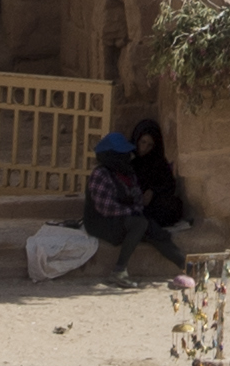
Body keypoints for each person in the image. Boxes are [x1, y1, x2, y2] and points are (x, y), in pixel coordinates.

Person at [78, 132, 176, 286]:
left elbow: (136, 198)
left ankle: (187, 266)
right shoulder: (100, 174)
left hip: (122, 218)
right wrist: (133, 212)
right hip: (101, 223)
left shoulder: (126, 173)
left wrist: (136, 211)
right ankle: (119, 271)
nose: (127, 157)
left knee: (154, 231)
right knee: (139, 224)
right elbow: (106, 208)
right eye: (122, 154)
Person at [128, 119, 196, 266]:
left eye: (150, 145)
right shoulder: (128, 161)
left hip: (154, 205)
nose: (144, 148)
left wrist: (153, 191)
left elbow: (168, 185)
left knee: (174, 205)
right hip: (134, 208)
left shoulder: (157, 161)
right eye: (143, 142)